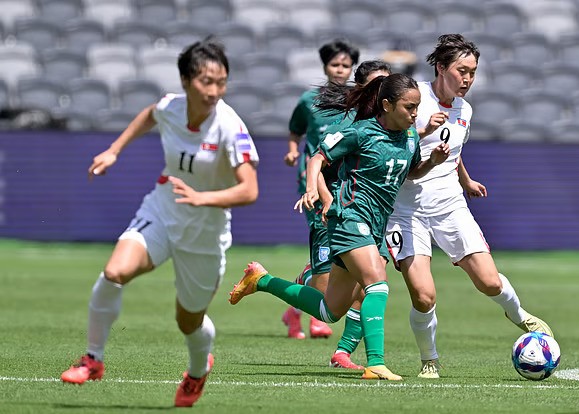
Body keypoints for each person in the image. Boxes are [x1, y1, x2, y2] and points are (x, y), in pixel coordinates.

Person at [60, 38, 259, 408]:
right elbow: (150, 114)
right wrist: (113, 151)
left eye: (221, 82)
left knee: (188, 321)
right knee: (114, 272)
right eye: (206, 82)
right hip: (163, 209)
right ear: (186, 81)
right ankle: (93, 359)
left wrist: (202, 197)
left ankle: (198, 370)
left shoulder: (229, 126)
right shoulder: (171, 106)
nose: (214, 91)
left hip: (205, 231)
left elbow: (249, 190)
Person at [230, 73, 450, 381]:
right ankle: (375, 363)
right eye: (409, 107)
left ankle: (261, 280)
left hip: (375, 225)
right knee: (377, 283)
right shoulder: (360, 132)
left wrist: (433, 162)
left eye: (417, 107)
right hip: (349, 217)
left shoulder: (410, 137)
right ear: (387, 105)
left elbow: (410, 173)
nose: (415, 114)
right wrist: (313, 189)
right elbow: (317, 159)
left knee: (330, 311)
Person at [384, 34, 554, 380]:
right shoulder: (414, 98)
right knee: (424, 296)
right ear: (440, 67)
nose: (468, 79)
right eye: (462, 71)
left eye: (473, 72)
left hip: (449, 205)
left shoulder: (465, 109)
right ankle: (429, 360)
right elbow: (392, 145)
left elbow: (452, 149)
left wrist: (465, 179)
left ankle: (521, 316)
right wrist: (420, 131)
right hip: (405, 210)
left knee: (490, 282)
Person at [289, 60, 394, 371]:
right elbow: (318, 161)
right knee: (329, 301)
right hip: (338, 213)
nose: (384, 91)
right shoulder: (347, 124)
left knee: (371, 283)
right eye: (378, 85)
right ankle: (301, 278)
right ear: (362, 88)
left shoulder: (391, 125)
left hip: (370, 219)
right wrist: (324, 198)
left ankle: (344, 353)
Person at [282, 39, 360, 341]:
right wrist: (293, 151)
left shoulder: (356, 100)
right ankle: (317, 318)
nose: (340, 70)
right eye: (334, 64)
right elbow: (295, 131)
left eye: (345, 65)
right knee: (325, 242)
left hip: (346, 183)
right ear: (325, 67)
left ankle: (295, 307)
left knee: (336, 250)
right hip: (315, 182)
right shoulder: (309, 100)